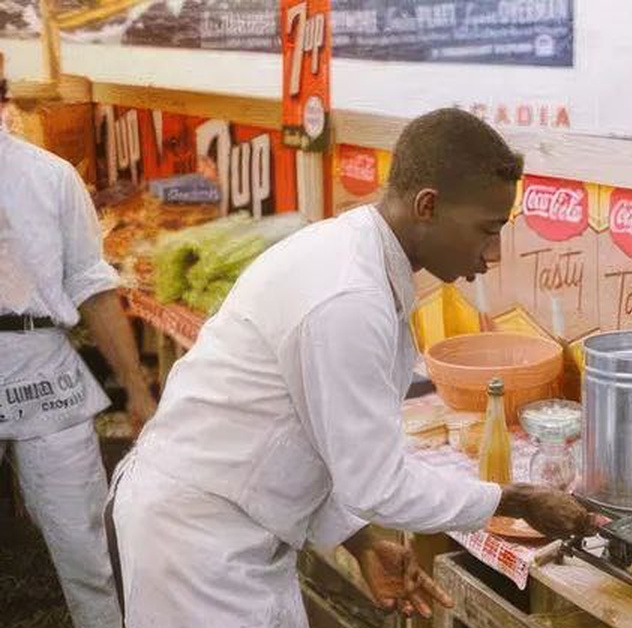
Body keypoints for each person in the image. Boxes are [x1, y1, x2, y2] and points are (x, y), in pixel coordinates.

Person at [109, 108, 594, 627]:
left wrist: (359, 539)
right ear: (428, 205)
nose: (493, 253)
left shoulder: (361, 257)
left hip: (230, 526)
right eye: (487, 229)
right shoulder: (348, 294)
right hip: (195, 542)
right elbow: (377, 485)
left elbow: (315, 436)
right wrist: (514, 499)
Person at [0, 58, 157, 628]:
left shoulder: (50, 177)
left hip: (43, 366)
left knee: (86, 549)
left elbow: (93, 288)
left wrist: (137, 390)